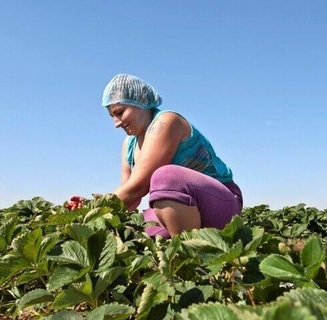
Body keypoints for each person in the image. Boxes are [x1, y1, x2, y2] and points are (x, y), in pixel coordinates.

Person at [69, 73, 243, 238]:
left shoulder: (166, 122)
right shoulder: (129, 145)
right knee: (137, 230)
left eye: (120, 112)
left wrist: (94, 211)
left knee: (165, 177)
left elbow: (138, 187)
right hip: (183, 209)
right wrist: (88, 206)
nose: (116, 123)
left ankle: (190, 259)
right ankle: (179, 246)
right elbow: (130, 199)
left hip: (220, 203)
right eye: (112, 116)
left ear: (140, 101)